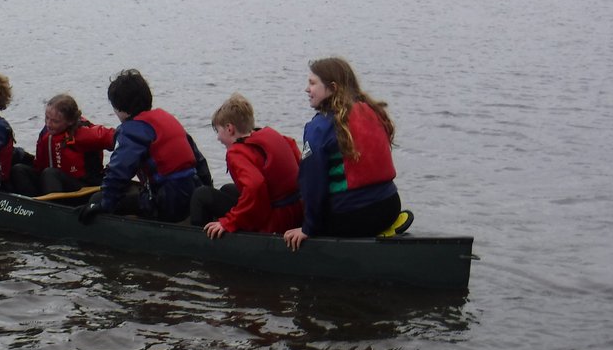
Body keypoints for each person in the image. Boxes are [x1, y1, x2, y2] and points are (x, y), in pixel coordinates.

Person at [283, 57, 407, 251]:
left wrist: (308, 228)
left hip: (355, 214)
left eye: (312, 83)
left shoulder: (319, 127)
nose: (307, 89)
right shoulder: (373, 111)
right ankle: (384, 230)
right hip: (390, 205)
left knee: (293, 221)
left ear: (332, 87)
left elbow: (312, 182)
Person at [78, 69, 211, 224]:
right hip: (192, 192)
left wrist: (104, 204)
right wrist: (205, 192)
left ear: (120, 109)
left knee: (97, 198)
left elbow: (119, 171)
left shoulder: (133, 129)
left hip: (168, 202)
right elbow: (199, 160)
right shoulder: (167, 118)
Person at [190, 93, 303, 237]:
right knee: (227, 189)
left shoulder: (236, 153)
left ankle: (200, 245)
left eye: (218, 131)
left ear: (229, 129)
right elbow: (297, 157)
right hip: (295, 211)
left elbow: (255, 186)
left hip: (274, 222)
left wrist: (228, 222)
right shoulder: (271, 135)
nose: (218, 137)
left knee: (201, 195)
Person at [10, 94, 115, 197]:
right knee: (19, 169)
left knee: (50, 173)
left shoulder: (85, 133)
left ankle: (53, 210)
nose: (48, 124)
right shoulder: (46, 134)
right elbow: (38, 166)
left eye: (55, 121)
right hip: (51, 182)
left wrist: (111, 170)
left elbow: (120, 139)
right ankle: (29, 207)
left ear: (70, 121)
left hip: (82, 188)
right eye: (47, 118)